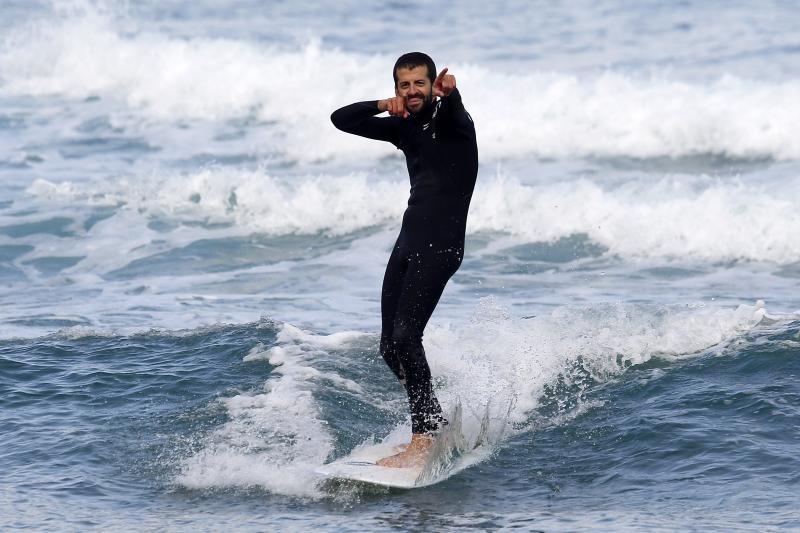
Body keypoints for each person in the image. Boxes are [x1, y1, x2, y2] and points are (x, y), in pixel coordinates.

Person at [330, 52, 478, 467]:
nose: (413, 92)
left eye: (419, 84)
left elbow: (454, 109)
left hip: (441, 244)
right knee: (388, 347)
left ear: (433, 84)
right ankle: (436, 422)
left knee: (406, 337)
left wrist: (451, 94)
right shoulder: (405, 128)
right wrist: (381, 105)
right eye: (404, 86)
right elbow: (341, 119)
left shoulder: (454, 123)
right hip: (410, 241)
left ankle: (425, 436)